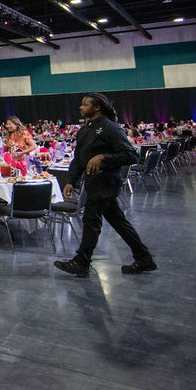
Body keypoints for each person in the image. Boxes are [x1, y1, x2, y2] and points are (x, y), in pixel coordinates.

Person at [54, 93, 156, 277]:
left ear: (97, 108)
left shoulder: (111, 128)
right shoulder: (84, 131)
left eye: (85, 104)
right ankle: (144, 258)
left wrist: (104, 157)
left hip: (106, 182)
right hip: (92, 183)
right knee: (118, 221)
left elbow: (131, 155)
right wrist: (70, 181)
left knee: (91, 220)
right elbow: (78, 160)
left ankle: (82, 263)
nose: (81, 107)